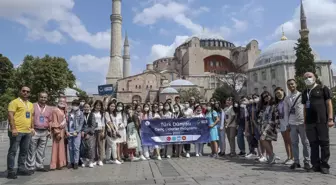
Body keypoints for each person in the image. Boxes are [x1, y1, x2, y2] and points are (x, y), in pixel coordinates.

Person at [302, 72, 334, 174]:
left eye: (310, 77)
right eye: (306, 78)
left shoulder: (323, 88)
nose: (308, 79)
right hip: (310, 122)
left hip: (322, 120)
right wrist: (305, 120)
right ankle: (315, 165)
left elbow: (329, 103)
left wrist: (330, 118)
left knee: (324, 143)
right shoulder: (305, 92)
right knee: (313, 143)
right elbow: (304, 108)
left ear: (315, 77)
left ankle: (324, 165)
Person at [7, 86, 35, 179]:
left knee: (24, 151)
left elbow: (31, 117)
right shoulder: (14, 102)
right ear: (20, 91)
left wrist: (32, 128)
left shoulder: (30, 104)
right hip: (17, 131)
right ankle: (10, 171)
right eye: (24, 91)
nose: (25, 93)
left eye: (28, 91)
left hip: (27, 132)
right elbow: (10, 116)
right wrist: (13, 128)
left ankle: (21, 169)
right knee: (13, 151)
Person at [284, 79, 311, 170]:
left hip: (302, 122)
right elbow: (286, 112)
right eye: (289, 85)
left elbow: (307, 107)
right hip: (292, 123)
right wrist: (287, 124)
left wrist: (307, 120)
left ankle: (307, 161)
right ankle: (296, 161)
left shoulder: (302, 95)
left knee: (305, 142)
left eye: (292, 84)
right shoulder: (287, 98)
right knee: (294, 143)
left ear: (296, 84)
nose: (291, 86)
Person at [26, 92, 52, 173]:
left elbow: (50, 120)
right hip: (35, 130)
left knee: (41, 150)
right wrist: (30, 128)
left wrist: (49, 130)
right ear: (38, 97)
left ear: (47, 98)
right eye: (41, 97)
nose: (43, 99)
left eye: (45, 97)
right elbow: (28, 117)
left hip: (44, 131)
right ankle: (30, 167)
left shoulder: (49, 109)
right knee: (31, 149)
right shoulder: (32, 106)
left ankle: (39, 165)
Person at [275, 87, 294, 165]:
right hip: (281, 122)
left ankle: (292, 157)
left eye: (279, 92)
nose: (278, 94)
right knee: (285, 141)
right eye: (276, 93)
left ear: (283, 91)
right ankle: (288, 156)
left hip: (288, 122)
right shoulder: (278, 102)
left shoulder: (287, 100)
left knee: (290, 141)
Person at [66, 100, 84, 169]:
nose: (75, 106)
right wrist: (67, 131)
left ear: (78, 106)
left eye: (76, 105)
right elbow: (66, 123)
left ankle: (76, 162)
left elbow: (81, 123)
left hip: (77, 132)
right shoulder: (69, 113)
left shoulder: (81, 113)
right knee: (70, 148)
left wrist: (77, 131)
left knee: (76, 148)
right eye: (74, 105)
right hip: (70, 132)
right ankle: (71, 162)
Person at [50, 97, 67, 170]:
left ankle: (61, 163)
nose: (62, 102)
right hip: (58, 131)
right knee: (56, 147)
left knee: (61, 148)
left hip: (63, 131)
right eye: (60, 101)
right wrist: (57, 132)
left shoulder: (64, 110)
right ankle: (55, 164)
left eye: (63, 101)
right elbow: (54, 121)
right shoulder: (55, 110)